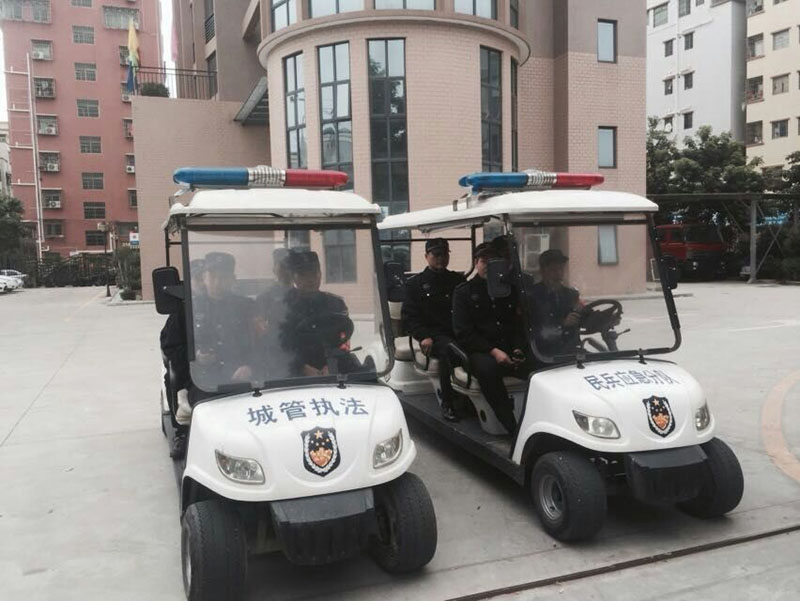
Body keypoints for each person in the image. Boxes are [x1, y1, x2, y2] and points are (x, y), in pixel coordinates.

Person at [452, 243, 532, 434]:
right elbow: (464, 333)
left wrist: (518, 349)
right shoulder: (464, 292)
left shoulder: (509, 290)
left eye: (493, 261)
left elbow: (518, 325)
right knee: (488, 371)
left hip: (509, 348)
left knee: (538, 366)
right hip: (481, 351)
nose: (488, 265)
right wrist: (494, 352)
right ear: (476, 263)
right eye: (483, 261)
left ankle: (537, 420)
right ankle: (511, 428)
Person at [402, 238, 465, 421]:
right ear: (426, 256)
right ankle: (448, 403)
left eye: (444, 254)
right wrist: (423, 336)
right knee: (449, 351)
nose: (441, 258)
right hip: (434, 336)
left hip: (459, 332)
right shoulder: (415, 284)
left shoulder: (457, 281)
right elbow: (409, 317)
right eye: (436, 255)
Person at [280, 251, 359, 377]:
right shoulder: (283, 306)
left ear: (320, 274)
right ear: (294, 277)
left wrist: (331, 365)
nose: (310, 279)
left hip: (333, 364)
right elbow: (279, 346)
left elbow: (343, 341)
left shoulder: (335, 304)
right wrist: (302, 368)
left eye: (314, 274)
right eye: (303, 275)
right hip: (294, 369)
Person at [191, 251, 255, 389]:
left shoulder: (247, 306)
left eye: (224, 277)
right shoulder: (191, 308)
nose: (217, 282)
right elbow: (173, 346)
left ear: (233, 279)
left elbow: (263, 341)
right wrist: (196, 357)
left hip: (242, 379)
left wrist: (251, 366)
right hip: (202, 383)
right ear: (204, 278)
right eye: (213, 276)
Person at [527, 249, 583, 357]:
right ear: (543, 271)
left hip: (572, 351)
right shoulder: (532, 296)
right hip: (544, 354)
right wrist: (562, 324)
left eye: (561, 269)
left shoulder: (571, 294)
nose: (559, 274)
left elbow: (584, 319)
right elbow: (535, 330)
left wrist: (601, 319)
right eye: (553, 270)